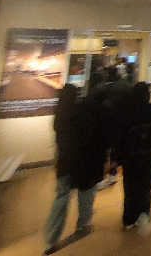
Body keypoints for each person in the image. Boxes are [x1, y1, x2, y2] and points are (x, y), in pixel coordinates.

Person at [43, 84, 108, 254]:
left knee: (61, 199)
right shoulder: (81, 114)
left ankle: (51, 238)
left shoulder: (59, 115)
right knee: (86, 195)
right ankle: (83, 225)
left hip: (64, 165)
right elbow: (90, 140)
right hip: (83, 164)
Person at [118, 82, 151, 235]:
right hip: (149, 155)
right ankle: (144, 216)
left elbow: (120, 135)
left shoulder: (126, 112)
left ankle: (129, 219)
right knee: (146, 186)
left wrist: (120, 154)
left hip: (131, 157)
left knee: (130, 187)